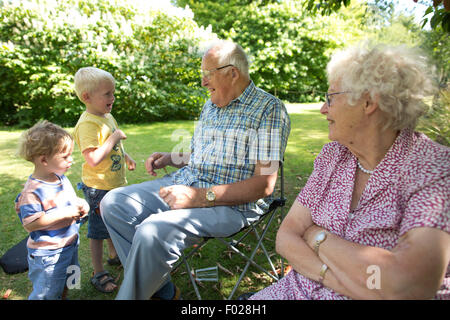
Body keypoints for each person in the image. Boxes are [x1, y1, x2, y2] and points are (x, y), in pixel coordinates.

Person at [249, 43, 450, 300]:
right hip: (295, 291)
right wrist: (332, 278)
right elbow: (286, 237)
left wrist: (315, 236)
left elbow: (407, 286)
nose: (323, 109)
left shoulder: (431, 168)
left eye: (330, 98)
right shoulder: (334, 156)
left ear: (368, 101)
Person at [100, 40, 291, 300]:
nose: (203, 82)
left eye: (207, 74)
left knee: (151, 231)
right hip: (186, 181)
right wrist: (170, 158)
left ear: (232, 73)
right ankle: (161, 290)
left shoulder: (269, 110)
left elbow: (263, 185)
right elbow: (205, 155)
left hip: (231, 206)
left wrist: (199, 197)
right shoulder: (211, 106)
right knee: (114, 202)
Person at [73, 67, 136, 293]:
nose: (113, 98)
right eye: (107, 94)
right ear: (86, 97)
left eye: (113, 93)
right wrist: (114, 137)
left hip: (114, 183)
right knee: (98, 230)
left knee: (114, 220)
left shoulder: (106, 116)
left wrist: (125, 155)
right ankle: (98, 272)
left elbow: (113, 146)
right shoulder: (87, 124)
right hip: (98, 187)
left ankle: (113, 255)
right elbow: (93, 159)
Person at [15, 120, 89, 300]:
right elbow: (31, 224)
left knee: (69, 280)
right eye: (65, 156)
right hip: (50, 254)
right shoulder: (32, 191)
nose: (71, 159)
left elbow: (70, 200)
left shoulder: (60, 178)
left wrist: (81, 204)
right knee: (47, 292)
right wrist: (65, 213)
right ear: (43, 160)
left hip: (70, 244)